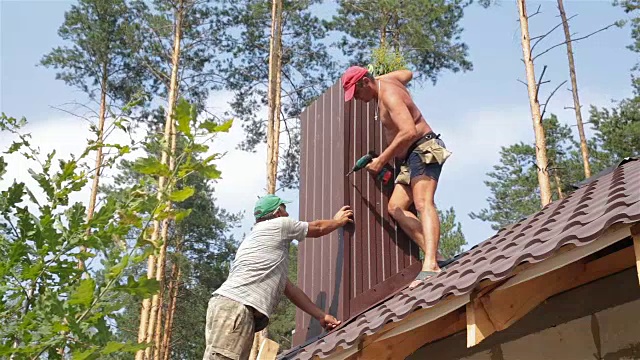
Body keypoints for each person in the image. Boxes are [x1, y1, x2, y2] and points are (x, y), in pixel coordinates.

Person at [203, 194, 354, 360]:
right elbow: (317, 228)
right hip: (236, 308)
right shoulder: (278, 225)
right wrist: (337, 222)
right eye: (285, 209)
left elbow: (290, 290)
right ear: (277, 213)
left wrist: (321, 316)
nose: (288, 214)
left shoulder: (260, 244)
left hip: (228, 308)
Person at [341, 65, 452, 290]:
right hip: (409, 157)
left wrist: (382, 160)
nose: (358, 99)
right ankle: (436, 256)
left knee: (423, 202)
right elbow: (408, 73)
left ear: (364, 83)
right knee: (396, 208)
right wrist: (382, 76)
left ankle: (430, 265)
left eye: (357, 93)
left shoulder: (389, 95)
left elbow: (409, 131)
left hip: (423, 147)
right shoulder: (386, 82)